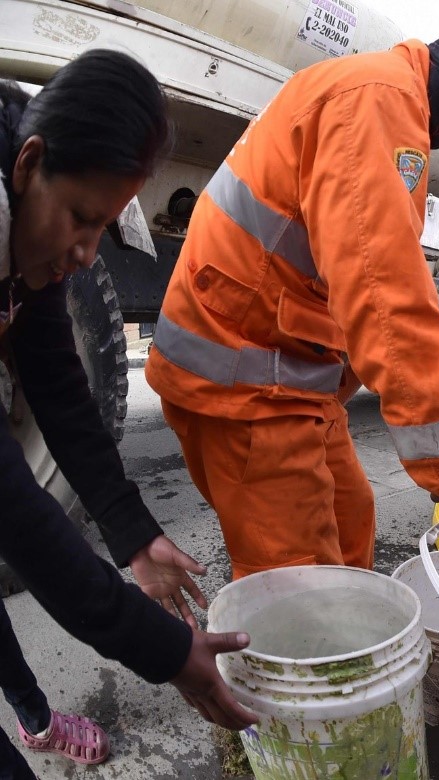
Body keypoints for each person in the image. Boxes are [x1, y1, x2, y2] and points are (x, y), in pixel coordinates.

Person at [145, 10, 439, 578]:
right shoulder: (377, 99)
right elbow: (386, 293)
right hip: (243, 381)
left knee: (348, 520)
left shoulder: (382, 97)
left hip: (291, 374)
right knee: (303, 584)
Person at [0, 50, 258, 778]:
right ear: (28, 164)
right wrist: (163, 648)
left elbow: (57, 383)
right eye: (82, 220)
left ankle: (31, 713)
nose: (86, 254)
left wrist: (133, 533)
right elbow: (16, 511)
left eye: (103, 226)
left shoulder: (29, 227)